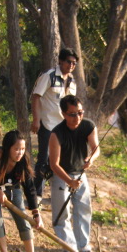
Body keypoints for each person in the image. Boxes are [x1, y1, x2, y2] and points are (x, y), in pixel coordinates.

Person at [49, 95, 100, 252]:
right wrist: (69, 181)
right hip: (61, 175)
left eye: (80, 113)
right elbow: (54, 164)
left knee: (84, 209)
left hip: (80, 174)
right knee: (62, 214)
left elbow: (95, 148)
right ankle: (70, 250)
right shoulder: (56, 134)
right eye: (72, 114)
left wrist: (90, 160)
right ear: (63, 114)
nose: (77, 117)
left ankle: (83, 247)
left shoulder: (88, 126)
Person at [30, 48, 78, 203]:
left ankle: (59, 193)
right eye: (69, 62)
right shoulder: (48, 76)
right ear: (60, 61)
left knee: (61, 161)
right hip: (48, 125)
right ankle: (36, 194)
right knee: (44, 160)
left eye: (74, 63)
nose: (71, 65)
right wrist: (36, 120)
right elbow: (36, 97)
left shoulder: (72, 82)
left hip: (65, 127)